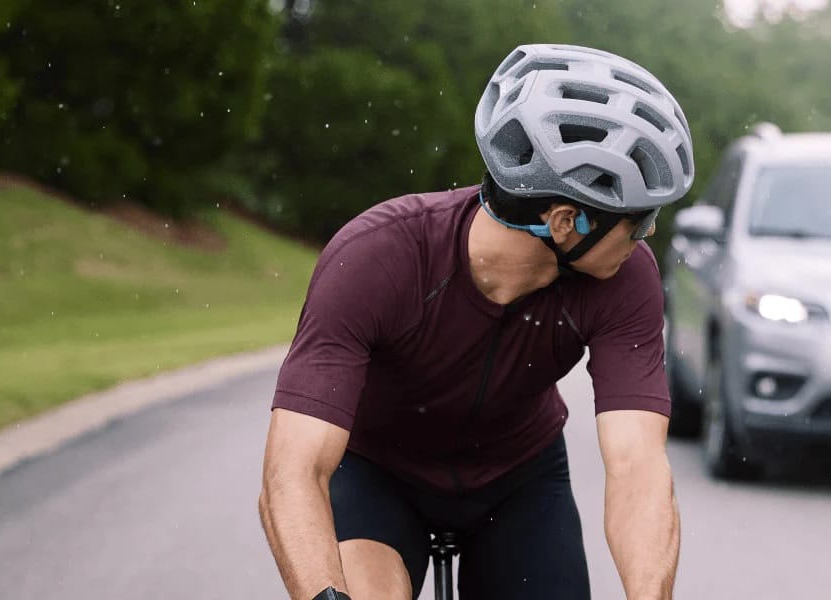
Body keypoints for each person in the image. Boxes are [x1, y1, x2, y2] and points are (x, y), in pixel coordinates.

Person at [258, 43, 695, 600]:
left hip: (518, 483)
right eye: (639, 221)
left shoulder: (626, 279)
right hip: (380, 476)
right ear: (566, 221)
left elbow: (638, 467)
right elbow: (291, 472)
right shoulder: (377, 257)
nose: (647, 236)